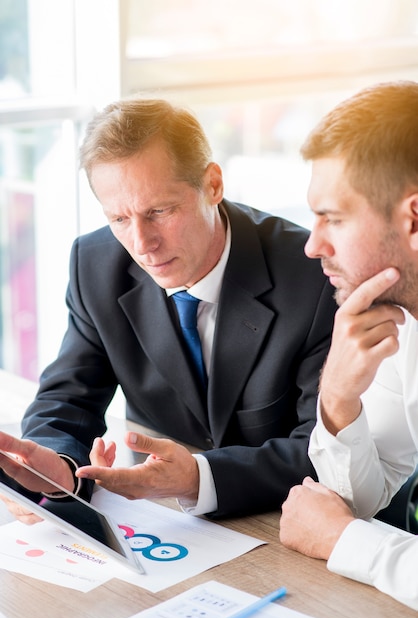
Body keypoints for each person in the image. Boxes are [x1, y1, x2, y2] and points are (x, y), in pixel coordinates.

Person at [0, 97, 336, 521]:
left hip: (289, 518)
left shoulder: (316, 279)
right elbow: (68, 397)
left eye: (159, 211)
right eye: (119, 219)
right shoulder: (95, 264)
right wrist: (61, 470)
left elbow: (327, 448)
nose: (142, 244)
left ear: (213, 185)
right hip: (166, 520)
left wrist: (199, 478)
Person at [279, 80, 418, 610]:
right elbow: (356, 499)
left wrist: (345, 542)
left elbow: (339, 526)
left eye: (333, 218)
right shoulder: (395, 316)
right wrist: (338, 399)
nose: (313, 245)